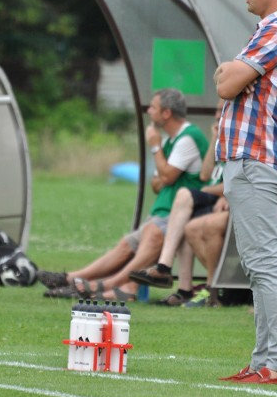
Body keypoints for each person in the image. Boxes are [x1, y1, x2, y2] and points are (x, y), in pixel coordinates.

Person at [213, 0, 277, 385]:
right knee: (258, 264)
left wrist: (232, 73)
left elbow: (227, 82)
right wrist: (232, 73)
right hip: (254, 160)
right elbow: (229, 79)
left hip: (256, 160)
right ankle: (262, 361)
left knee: (265, 265)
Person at [39, 88, 208, 302]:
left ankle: (104, 285)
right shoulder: (171, 140)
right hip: (162, 210)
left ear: (166, 113)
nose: (148, 111)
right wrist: (163, 170)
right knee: (127, 243)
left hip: (176, 213)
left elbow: (166, 178)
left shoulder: (188, 138)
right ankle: (71, 278)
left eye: (153, 107)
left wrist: (155, 148)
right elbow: (156, 184)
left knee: (153, 233)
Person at [128, 108, 226, 306]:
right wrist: (215, 138)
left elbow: (168, 177)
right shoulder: (219, 140)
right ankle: (183, 289)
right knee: (183, 221)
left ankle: (165, 269)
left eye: (220, 111)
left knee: (183, 195)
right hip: (211, 193)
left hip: (225, 199)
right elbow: (205, 175)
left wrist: (155, 148)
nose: (216, 116)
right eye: (216, 111)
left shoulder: (237, 139)